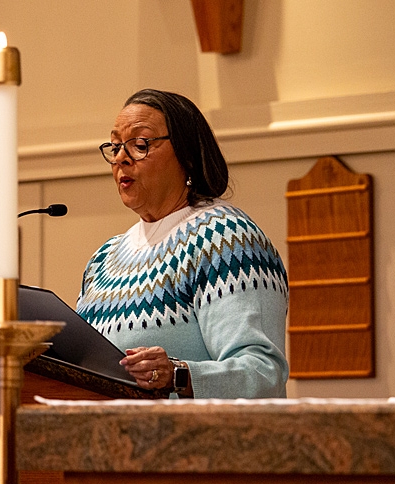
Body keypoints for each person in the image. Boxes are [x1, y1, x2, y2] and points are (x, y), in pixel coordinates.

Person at [76, 89, 289, 399]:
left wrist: (179, 375)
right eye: (115, 145)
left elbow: (263, 374)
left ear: (187, 155)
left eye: (139, 144)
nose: (121, 157)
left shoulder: (226, 240)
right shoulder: (104, 259)